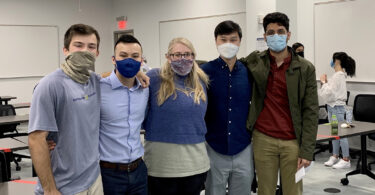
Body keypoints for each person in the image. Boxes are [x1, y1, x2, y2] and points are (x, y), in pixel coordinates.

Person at [240, 12, 319, 195]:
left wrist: (307, 151)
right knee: (265, 190)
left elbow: (311, 111)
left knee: (293, 191)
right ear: (265, 36)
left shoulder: (305, 68)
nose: (276, 36)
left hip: (293, 142)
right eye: (271, 32)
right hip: (263, 138)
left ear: (288, 35)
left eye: (280, 31)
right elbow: (230, 66)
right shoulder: (255, 61)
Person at [28, 24, 103, 195]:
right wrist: (50, 189)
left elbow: (112, 76)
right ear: (66, 50)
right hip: (64, 186)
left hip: (94, 179)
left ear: (97, 53)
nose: (85, 50)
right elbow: (36, 139)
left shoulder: (94, 81)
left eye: (91, 47)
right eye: (78, 45)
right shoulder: (50, 85)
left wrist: (138, 73)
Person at [143, 37, 210, 195]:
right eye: (177, 54)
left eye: (188, 54)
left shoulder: (201, 80)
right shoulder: (154, 77)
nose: (183, 59)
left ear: (193, 56)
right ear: (168, 56)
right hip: (162, 165)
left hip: (196, 163)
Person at [201, 20, 254, 195]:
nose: (228, 44)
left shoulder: (248, 72)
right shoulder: (204, 71)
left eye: (233, 39)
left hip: (243, 146)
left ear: (240, 41)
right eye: (223, 39)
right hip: (213, 146)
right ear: (216, 41)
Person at [99, 34, 149, 194]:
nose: (129, 60)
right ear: (114, 59)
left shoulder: (145, 88)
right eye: (123, 56)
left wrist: (139, 74)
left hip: (139, 170)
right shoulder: (98, 87)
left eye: (135, 56)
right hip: (108, 173)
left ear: (141, 61)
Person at [319, 52, 356, 169]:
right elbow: (329, 93)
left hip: (337, 108)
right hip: (332, 107)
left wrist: (324, 82)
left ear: (337, 61)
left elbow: (330, 92)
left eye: (332, 59)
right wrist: (325, 83)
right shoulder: (336, 75)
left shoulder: (339, 75)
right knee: (334, 133)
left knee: (341, 134)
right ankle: (335, 155)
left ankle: (346, 158)